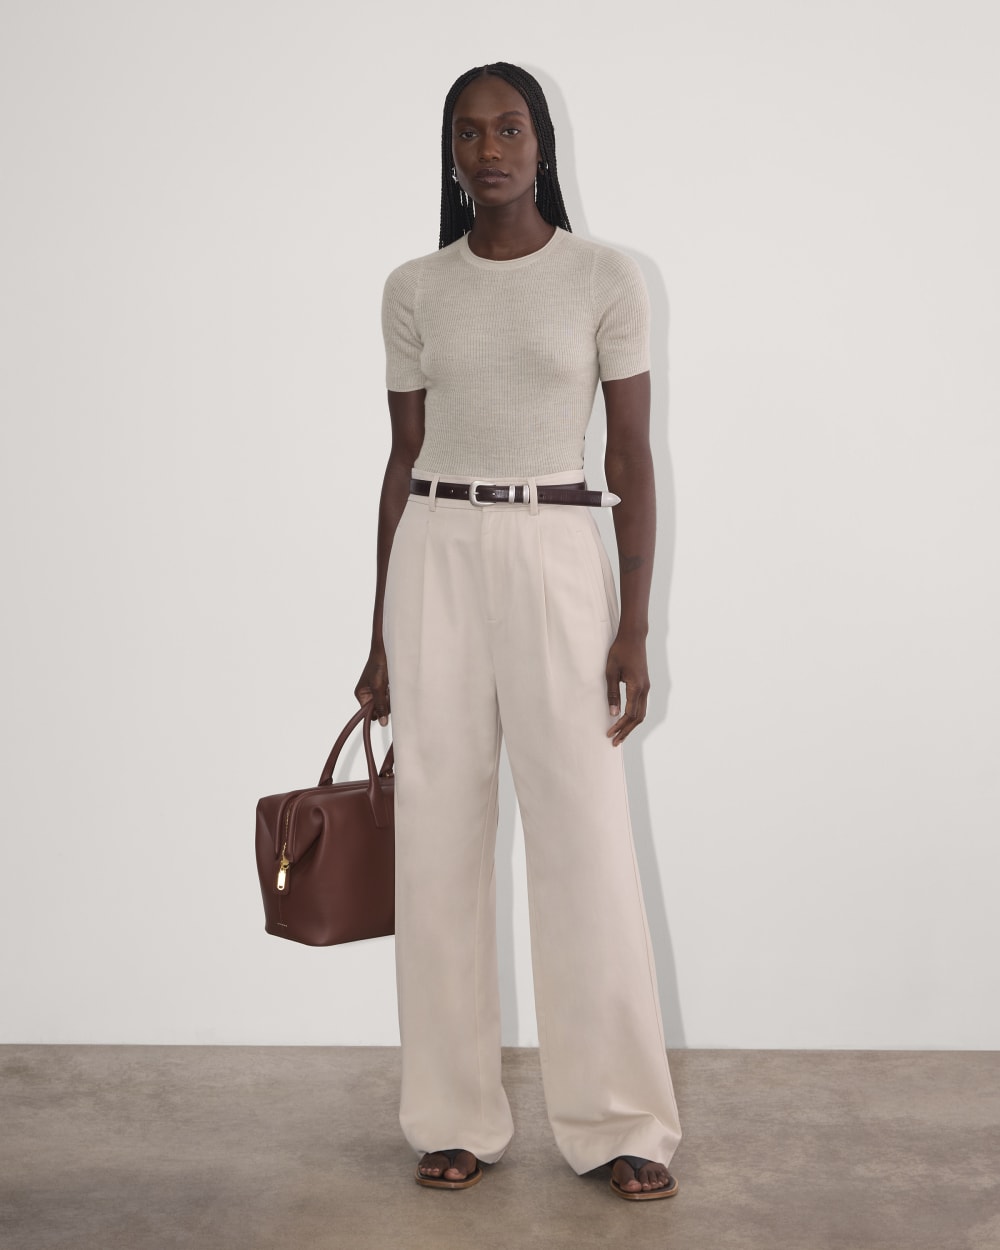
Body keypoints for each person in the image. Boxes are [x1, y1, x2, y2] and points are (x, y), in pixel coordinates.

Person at [355, 61, 681, 1201]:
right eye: (468, 133)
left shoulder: (602, 277)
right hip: (436, 553)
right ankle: (450, 1114)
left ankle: (621, 1120)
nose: (489, 150)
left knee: (584, 838)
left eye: (508, 128)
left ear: (542, 142)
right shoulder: (414, 288)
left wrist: (634, 626)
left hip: (556, 549)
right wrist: (378, 633)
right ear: (449, 154)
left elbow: (631, 457)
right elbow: (402, 459)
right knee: (437, 839)